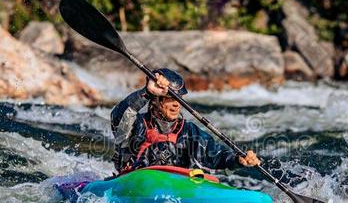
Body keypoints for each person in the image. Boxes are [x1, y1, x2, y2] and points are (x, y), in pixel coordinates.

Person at [111, 68, 261, 173]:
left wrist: (237, 159)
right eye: (171, 98)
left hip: (176, 188)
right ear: (155, 100)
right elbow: (118, 117)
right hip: (135, 182)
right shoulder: (136, 124)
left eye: (179, 99)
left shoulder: (189, 131)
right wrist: (147, 92)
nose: (177, 104)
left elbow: (216, 155)